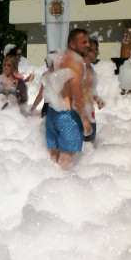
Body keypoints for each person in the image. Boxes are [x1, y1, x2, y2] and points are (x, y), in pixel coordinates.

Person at [44, 29, 93, 170]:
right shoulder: (76, 63)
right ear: (72, 44)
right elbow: (76, 95)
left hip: (52, 114)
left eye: (88, 42)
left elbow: (48, 83)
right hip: (67, 117)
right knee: (66, 163)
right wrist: (85, 119)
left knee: (53, 161)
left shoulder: (57, 58)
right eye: (84, 42)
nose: (88, 45)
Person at [82, 38, 105, 148]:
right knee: (83, 147)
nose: (98, 53)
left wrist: (97, 98)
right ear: (87, 50)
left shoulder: (89, 68)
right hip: (81, 114)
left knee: (90, 145)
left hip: (89, 112)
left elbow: (89, 90)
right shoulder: (80, 68)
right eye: (96, 50)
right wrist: (84, 118)